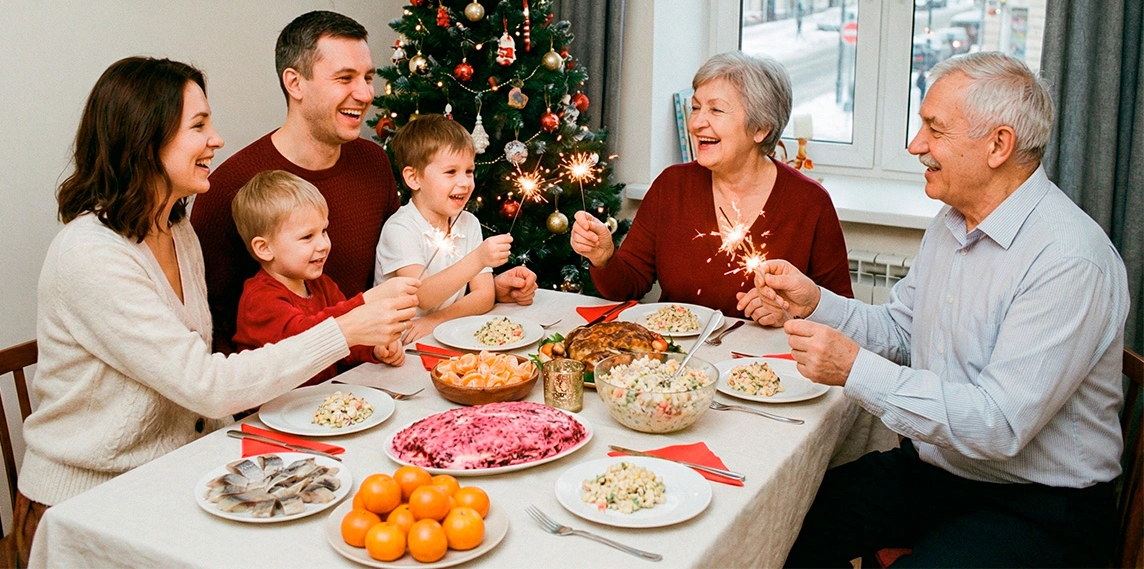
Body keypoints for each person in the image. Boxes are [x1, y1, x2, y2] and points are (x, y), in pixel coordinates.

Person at [11, 58, 418, 564]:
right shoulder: (91, 255)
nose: (217, 140)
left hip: (173, 469)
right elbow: (204, 382)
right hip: (89, 501)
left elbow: (200, 390)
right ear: (145, 141)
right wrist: (345, 326)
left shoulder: (176, 230)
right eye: (198, 126)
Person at [742, 52, 1127, 567]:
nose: (915, 145)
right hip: (937, 473)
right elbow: (903, 332)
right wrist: (816, 303)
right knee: (781, 519)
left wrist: (855, 369)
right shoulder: (951, 223)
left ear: (998, 145)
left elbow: (998, 425)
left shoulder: (1068, 259)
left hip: (1039, 505)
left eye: (934, 129)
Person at [191, 11, 536, 354]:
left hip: (376, 362)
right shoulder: (230, 185)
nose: (366, 94)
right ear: (295, 83)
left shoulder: (372, 161)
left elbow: (398, 270)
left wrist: (483, 286)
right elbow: (213, 324)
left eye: (368, 77)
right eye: (345, 78)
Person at [570, 51, 852, 316]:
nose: (696, 123)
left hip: (767, 364)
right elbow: (628, 286)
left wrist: (793, 312)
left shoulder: (809, 203)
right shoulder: (672, 186)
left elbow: (843, 315)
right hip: (676, 363)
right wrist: (604, 258)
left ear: (760, 128)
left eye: (716, 110)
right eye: (695, 107)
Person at [231, 170, 406, 385]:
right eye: (307, 237)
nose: (323, 244)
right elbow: (303, 339)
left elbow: (345, 342)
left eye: (324, 231)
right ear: (264, 248)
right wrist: (365, 302)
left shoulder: (321, 284)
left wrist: (374, 348)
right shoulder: (259, 299)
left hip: (319, 402)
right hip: (275, 410)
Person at [375, 115, 516, 343]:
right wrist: (478, 259)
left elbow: (484, 296)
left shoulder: (468, 223)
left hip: (446, 332)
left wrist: (435, 322)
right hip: (400, 344)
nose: (464, 182)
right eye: (451, 172)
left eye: (469, 171)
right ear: (413, 178)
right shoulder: (400, 229)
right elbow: (424, 296)